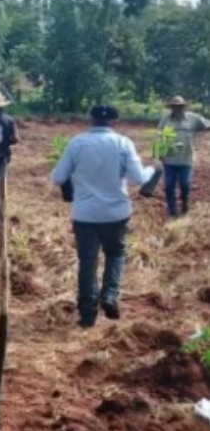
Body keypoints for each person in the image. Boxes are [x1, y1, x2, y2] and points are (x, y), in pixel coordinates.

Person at [50, 105, 154, 327]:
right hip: (116, 213)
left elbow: (58, 177)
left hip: (85, 214)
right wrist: (153, 170)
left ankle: (87, 314)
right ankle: (110, 296)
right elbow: (138, 178)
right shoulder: (123, 143)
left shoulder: (77, 143)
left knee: (87, 262)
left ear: (92, 120)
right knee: (115, 254)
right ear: (115, 122)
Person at [158, 95, 210, 218]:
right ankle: (172, 212)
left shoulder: (193, 119)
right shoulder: (165, 120)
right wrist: (158, 154)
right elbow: (159, 137)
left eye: (180, 106)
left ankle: (185, 206)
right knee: (169, 186)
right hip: (169, 159)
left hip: (186, 160)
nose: (177, 109)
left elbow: (207, 125)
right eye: (174, 106)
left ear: (184, 107)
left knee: (185, 183)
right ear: (171, 107)